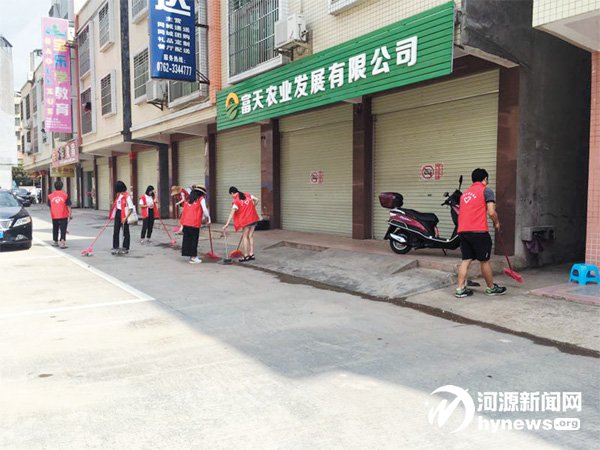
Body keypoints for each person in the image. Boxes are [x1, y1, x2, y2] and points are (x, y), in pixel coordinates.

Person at [455, 168, 507, 298]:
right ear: (485, 179)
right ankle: (491, 288)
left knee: (466, 260)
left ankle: (460, 289)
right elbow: (491, 212)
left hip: (463, 231)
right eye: (487, 180)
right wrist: (497, 222)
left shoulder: (465, 194)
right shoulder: (486, 190)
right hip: (478, 231)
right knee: (484, 260)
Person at [222, 186, 260, 262]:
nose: (231, 197)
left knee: (245, 237)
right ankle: (251, 254)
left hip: (246, 221)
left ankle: (246, 255)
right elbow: (257, 200)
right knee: (250, 236)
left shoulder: (236, 201)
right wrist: (252, 207)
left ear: (232, 193)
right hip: (253, 218)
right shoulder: (248, 195)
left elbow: (231, 214)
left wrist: (227, 224)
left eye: (231, 195)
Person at [180, 185, 210, 264]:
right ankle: (193, 257)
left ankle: (191, 257)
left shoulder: (188, 199)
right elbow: (205, 210)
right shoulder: (201, 199)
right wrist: (209, 218)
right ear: (201, 193)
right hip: (194, 223)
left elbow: (184, 212)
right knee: (194, 240)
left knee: (188, 240)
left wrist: (182, 224)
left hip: (186, 223)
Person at [110, 181, 134, 255]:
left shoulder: (127, 196)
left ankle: (125, 247)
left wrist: (125, 218)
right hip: (118, 213)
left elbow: (131, 208)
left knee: (125, 231)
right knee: (116, 230)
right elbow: (116, 205)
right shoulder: (118, 195)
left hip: (125, 214)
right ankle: (115, 246)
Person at [47, 180, 72, 249]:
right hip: (63, 215)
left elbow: (50, 206)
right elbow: (68, 206)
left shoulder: (50, 196)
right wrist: (70, 214)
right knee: (63, 229)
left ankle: (55, 242)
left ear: (54, 187)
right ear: (62, 187)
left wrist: (52, 213)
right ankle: (62, 242)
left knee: (55, 228)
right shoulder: (65, 195)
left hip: (54, 215)